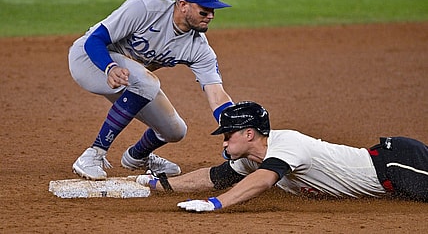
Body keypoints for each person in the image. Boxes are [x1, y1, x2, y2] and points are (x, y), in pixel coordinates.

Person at [68, 0, 235, 180]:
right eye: (204, 10)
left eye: (213, 11)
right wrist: (109, 68)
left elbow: (217, 94)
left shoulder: (199, 49)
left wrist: (236, 125)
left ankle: (137, 157)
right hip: (90, 60)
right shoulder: (145, 9)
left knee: (175, 130)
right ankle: (93, 155)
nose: (210, 16)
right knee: (147, 82)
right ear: (183, 5)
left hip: (130, 79)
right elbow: (94, 40)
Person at [136, 101, 428, 212]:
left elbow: (264, 180)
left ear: (249, 134)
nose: (224, 140)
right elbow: (214, 177)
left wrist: (217, 204)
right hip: (389, 177)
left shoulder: (287, 144)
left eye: (228, 134)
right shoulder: (250, 158)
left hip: (395, 164)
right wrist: (157, 184)